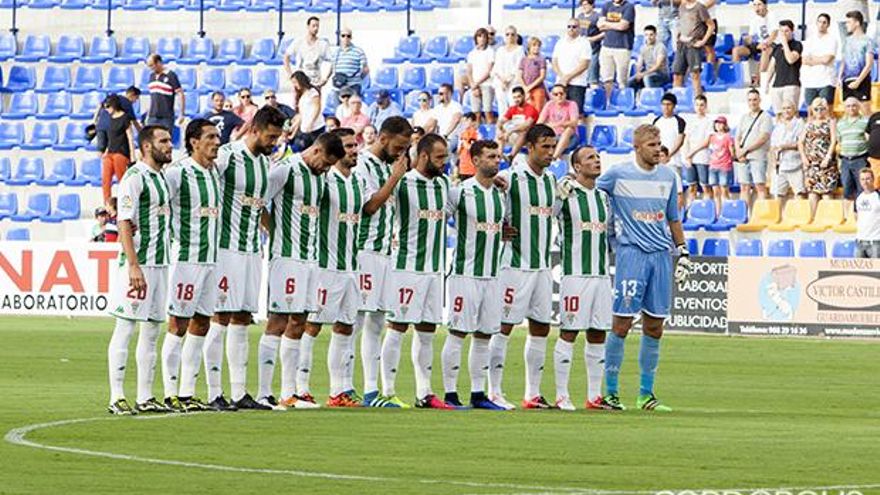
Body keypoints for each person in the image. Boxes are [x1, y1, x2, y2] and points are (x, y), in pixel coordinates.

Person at [595, 124, 689, 412]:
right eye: (651, 145)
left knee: (655, 326)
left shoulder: (668, 176)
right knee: (621, 324)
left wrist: (683, 251)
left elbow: (673, 218)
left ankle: (646, 395)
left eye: (659, 144)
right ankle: (611, 393)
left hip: (661, 255)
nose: (658, 150)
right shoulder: (617, 174)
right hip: (631, 254)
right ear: (636, 147)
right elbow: (591, 192)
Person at [206, 106, 286, 411]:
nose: (274, 143)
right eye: (270, 137)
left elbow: (260, 205)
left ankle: (239, 392)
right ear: (254, 129)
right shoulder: (227, 156)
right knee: (220, 317)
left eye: (277, 138)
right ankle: (214, 392)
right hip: (225, 249)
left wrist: (274, 232)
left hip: (252, 250)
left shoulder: (265, 163)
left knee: (242, 318)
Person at [259, 132, 345, 410]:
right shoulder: (285, 169)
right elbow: (259, 203)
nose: (326, 169)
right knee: (278, 320)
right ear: (317, 150)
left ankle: (289, 393)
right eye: (326, 163)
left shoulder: (320, 177)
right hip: (287, 258)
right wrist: (274, 232)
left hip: (310, 259)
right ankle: (263, 393)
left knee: (300, 321)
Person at [381, 133, 454, 409]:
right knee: (397, 327)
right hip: (406, 269)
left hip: (434, 270)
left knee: (427, 330)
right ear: (423, 156)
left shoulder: (444, 184)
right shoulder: (403, 183)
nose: (444, 162)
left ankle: (425, 393)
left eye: (446, 156)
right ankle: (388, 391)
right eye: (439, 157)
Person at [488, 124, 557, 410]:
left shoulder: (551, 180)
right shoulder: (511, 177)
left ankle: (532, 394)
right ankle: (493, 391)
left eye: (553, 147)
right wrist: (499, 227)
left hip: (542, 266)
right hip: (513, 266)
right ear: (530, 147)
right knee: (503, 326)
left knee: (541, 327)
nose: (551, 152)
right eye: (545, 147)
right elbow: (487, 193)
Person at [106, 125, 174, 415]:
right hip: (139, 264)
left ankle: (145, 396)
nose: (170, 145)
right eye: (164, 141)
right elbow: (124, 221)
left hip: (160, 264)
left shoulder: (162, 178)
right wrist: (133, 265)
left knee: (152, 330)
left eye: (169, 140)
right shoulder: (134, 177)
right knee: (126, 326)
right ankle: (117, 396)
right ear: (147, 146)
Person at [159, 119, 223, 413]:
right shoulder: (177, 173)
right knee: (178, 324)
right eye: (210, 137)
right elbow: (158, 207)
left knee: (202, 323)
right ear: (194, 141)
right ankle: (169, 392)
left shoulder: (214, 172)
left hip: (211, 260)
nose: (217, 142)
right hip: (185, 259)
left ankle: (187, 393)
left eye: (218, 137)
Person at [300, 128, 366, 407]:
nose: (354, 151)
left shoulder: (358, 181)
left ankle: (339, 391)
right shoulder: (324, 180)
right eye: (348, 146)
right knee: (311, 326)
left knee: (346, 327)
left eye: (355, 145)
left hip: (350, 266)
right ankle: (300, 388)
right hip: (325, 266)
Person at [441, 139, 507, 410]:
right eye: (490, 156)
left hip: (492, 275)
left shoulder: (500, 194)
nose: (496, 161)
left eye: (498, 156)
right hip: (465, 274)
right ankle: (450, 394)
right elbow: (438, 220)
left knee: (484, 335)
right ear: (476, 160)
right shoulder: (460, 193)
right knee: (458, 332)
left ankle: (478, 394)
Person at [355, 116, 413, 408]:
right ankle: (343, 388)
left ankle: (371, 391)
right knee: (354, 321)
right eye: (399, 146)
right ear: (383, 137)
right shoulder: (363, 164)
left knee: (377, 322)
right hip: (363, 251)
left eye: (405, 148)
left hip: (384, 252)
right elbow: (370, 206)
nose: (401, 153)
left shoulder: (387, 165)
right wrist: (395, 177)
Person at [552, 145, 610, 411]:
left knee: (598, 333)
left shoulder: (602, 197)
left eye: (597, 157)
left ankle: (594, 396)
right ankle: (562, 395)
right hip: (575, 275)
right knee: (569, 331)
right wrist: (558, 192)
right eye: (590, 158)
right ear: (577, 166)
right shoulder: (566, 192)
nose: (596, 161)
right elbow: (549, 214)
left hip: (601, 274)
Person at [799, 97, 838, 218]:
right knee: (812, 192)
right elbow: (801, 142)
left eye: (822, 109)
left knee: (827, 192)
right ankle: (813, 218)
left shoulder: (830, 122)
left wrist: (827, 157)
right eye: (816, 109)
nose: (819, 111)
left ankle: (828, 218)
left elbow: (833, 140)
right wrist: (804, 157)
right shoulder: (808, 124)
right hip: (812, 164)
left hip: (826, 164)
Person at [735, 89, 772, 209]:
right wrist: (739, 152)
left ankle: (762, 214)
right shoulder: (743, 117)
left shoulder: (766, 117)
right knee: (744, 187)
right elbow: (737, 137)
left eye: (755, 99)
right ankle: (743, 214)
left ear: (759, 100)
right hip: (743, 158)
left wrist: (745, 150)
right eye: (750, 100)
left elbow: (763, 137)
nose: (752, 102)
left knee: (759, 186)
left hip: (757, 156)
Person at [597, 0, 636, 107]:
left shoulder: (628, 7)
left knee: (621, 79)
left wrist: (607, 24)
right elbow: (600, 25)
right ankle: (608, 102)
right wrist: (616, 25)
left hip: (623, 47)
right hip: (607, 46)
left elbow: (623, 26)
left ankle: (623, 103)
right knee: (607, 78)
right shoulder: (606, 5)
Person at [101, 94, 137, 204]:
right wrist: (106, 151)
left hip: (121, 152)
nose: (106, 109)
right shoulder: (109, 119)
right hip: (110, 152)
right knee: (105, 180)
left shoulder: (125, 117)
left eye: (108, 106)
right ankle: (107, 204)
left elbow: (130, 137)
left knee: (122, 180)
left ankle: (126, 204)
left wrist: (132, 155)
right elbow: (110, 137)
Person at [760, 20, 802, 115]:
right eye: (782, 31)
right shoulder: (777, 48)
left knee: (791, 113)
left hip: (791, 84)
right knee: (778, 114)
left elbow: (790, 59)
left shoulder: (797, 45)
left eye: (786, 31)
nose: (784, 34)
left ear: (792, 31)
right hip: (777, 85)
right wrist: (767, 82)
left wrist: (785, 44)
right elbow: (772, 66)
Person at [552, 18, 590, 119]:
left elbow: (584, 64)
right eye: (569, 26)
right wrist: (562, 77)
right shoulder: (560, 42)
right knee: (559, 113)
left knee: (576, 114)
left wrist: (568, 77)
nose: (571, 29)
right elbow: (554, 62)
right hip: (560, 83)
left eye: (574, 26)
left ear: (579, 28)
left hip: (577, 83)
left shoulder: (584, 43)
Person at [731, 0, 776, 86]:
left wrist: (765, 43)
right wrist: (747, 39)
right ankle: (737, 78)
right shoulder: (754, 19)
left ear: (765, 5)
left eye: (759, 4)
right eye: (755, 5)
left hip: (772, 44)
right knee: (736, 50)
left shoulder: (772, 16)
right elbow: (751, 37)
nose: (757, 7)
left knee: (765, 50)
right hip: (758, 44)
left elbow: (774, 34)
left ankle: (758, 81)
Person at [672, 0, 713, 95]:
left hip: (693, 44)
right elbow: (681, 22)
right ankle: (677, 99)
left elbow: (711, 25)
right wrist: (679, 34)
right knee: (677, 74)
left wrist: (703, 41)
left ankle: (698, 99)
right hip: (682, 44)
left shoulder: (700, 7)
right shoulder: (682, 7)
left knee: (695, 75)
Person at [769, 100, 805, 205]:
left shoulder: (800, 123)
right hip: (780, 166)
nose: (786, 111)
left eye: (789, 108)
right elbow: (773, 146)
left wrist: (784, 146)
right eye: (784, 108)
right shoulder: (778, 126)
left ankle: (799, 214)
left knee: (799, 193)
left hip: (796, 165)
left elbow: (801, 143)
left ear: (794, 110)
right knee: (777, 195)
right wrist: (774, 161)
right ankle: (777, 214)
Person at [840, 11, 875, 116]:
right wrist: (839, 77)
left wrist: (858, 81)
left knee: (865, 112)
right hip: (847, 80)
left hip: (862, 80)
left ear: (857, 23)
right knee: (848, 112)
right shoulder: (846, 40)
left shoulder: (868, 41)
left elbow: (869, 64)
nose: (846, 25)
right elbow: (844, 61)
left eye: (849, 22)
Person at [652, 93, 687, 193]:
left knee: (676, 190)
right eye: (663, 104)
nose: (666, 107)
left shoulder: (679, 121)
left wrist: (668, 155)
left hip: (674, 161)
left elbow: (680, 140)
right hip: (659, 161)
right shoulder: (657, 121)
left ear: (674, 106)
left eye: (668, 104)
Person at [801, 13, 837, 106]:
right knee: (810, 110)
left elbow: (827, 60)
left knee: (826, 109)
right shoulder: (810, 40)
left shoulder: (832, 39)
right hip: (811, 81)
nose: (821, 24)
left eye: (824, 22)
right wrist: (821, 58)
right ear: (816, 23)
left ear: (828, 25)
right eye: (820, 22)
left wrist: (812, 58)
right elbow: (804, 60)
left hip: (827, 80)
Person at [837, 97, 870, 202]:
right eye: (848, 106)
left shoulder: (865, 121)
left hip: (860, 159)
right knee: (847, 190)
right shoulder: (840, 123)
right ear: (845, 108)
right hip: (845, 160)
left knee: (862, 188)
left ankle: (860, 210)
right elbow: (839, 142)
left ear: (858, 107)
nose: (851, 108)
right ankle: (850, 211)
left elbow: (869, 140)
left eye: (854, 105)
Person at [284, 16, 330, 88]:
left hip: (315, 81)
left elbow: (331, 62)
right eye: (313, 26)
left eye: (317, 26)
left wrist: (325, 78)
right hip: (300, 80)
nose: (316, 28)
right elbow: (286, 56)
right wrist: (290, 75)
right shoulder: (299, 41)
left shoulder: (323, 44)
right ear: (308, 26)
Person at [94, 86, 141, 156]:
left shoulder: (113, 98)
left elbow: (100, 105)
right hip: (112, 127)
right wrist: (142, 132)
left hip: (101, 125)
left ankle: (101, 162)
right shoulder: (127, 103)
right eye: (136, 98)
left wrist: (95, 119)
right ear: (132, 95)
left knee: (100, 150)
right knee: (111, 150)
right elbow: (134, 122)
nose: (135, 101)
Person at [683, 94, 712, 205]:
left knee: (705, 186)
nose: (699, 108)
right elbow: (686, 139)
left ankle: (707, 208)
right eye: (697, 105)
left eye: (702, 105)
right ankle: (691, 209)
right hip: (690, 159)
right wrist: (687, 156)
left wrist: (691, 153)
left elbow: (706, 142)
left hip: (703, 158)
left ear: (706, 106)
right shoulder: (690, 121)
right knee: (692, 186)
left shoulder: (709, 122)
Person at [496, 86, 539, 163]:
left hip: (528, 137)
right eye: (514, 97)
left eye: (519, 97)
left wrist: (510, 131)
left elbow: (526, 125)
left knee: (524, 132)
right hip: (514, 134)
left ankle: (511, 156)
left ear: (524, 96)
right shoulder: (512, 109)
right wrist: (499, 128)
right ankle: (499, 156)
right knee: (500, 133)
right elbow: (501, 121)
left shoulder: (531, 109)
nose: (516, 99)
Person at [538, 85, 579, 161]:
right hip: (553, 136)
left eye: (561, 93)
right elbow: (539, 123)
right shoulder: (549, 104)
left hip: (570, 138)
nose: (559, 96)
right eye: (556, 94)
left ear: (565, 94)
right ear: (552, 96)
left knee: (569, 129)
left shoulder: (572, 104)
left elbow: (574, 122)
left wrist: (556, 124)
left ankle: (553, 158)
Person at [145, 54, 185, 131]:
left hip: (166, 117)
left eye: (152, 65)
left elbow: (180, 94)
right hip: (152, 116)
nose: (150, 68)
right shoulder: (151, 76)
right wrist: (148, 115)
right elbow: (152, 98)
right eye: (149, 66)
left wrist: (181, 114)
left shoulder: (170, 75)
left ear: (158, 62)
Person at [328, 27, 369, 98]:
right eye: (343, 35)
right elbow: (332, 67)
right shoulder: (336, 52)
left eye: (348, 36)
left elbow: (365, 69)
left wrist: (358, 78)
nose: (346, 38)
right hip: (339, 87)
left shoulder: (359, 51)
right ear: (340, 37)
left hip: (353, 86)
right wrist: (326, 78)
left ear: (351, 37)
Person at [492, 25, 524, 116]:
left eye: (512, 34)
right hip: (500, 82)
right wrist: (502, 80)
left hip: (513, 82)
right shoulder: (500, 50)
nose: (510, 36)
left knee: (513, 105)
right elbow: (496, 67)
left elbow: (518, 66)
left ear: (516, 36)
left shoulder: (520, 49)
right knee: (502, 107)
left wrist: (507, 80)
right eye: (507, 34)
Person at [705, 116, 735, 213]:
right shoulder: (712, 137)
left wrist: (732, 159)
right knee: (715, 191)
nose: (718, 125)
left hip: (724, 166)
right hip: (713, 165)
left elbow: (732, 152)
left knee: (724, 190)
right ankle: (717, 212)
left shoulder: (728, 137)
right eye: (717, 123)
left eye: (721, 123)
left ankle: (726, 212)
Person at [467, 28, 496, 125]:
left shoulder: (490, 52)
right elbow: (469, 71)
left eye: (484, 36)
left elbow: (489, 71)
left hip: (487, 84)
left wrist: (477, 84)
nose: (482, 39)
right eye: (479, 36)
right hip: (475, 85)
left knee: (488, 112)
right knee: (476, 114)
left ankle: (490, 132)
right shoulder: (472, 53)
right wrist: (473, 85)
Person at [628, 25, 669, 92]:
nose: (648, 37)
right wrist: (638, 73)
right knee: (630, 82)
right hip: (648, 73)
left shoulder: (660, 47)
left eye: (651, 35)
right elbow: (639, 63)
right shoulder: (643, 48)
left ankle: (651, 97)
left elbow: (657, 66)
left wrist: (643, 74)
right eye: (646, 35)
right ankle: (634, 97)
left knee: (647, 78)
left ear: (655, 35)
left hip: (661, 75)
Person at [289, 71, 324, 151]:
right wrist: (294, 126)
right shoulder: (301, 95)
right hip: (305, 128)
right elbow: (302, 114)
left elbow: (317, 108)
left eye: (295, 82)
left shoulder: (312, 92)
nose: (294, 85)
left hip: (316, 127)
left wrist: (311, 123)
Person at [577, 0, 604, 87]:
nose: (584, 7)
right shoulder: (580, 16)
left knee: (592, 72)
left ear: (592, 5)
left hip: (593, 49)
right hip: (582, 49)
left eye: (586, 4)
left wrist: (593, 39)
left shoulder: (597, 16)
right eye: (582, 5)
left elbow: (604, 33)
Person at [854, 168, 880, 258]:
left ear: (873, 179)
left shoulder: (878, 196)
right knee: (857, 267)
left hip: (876, 242)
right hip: (860, 241)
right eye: (863, 179)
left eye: (868, 179)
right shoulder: (858, 197)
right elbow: (856, 215)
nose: (865, 182)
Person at [518, 37, 547, 112]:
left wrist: (530, 87)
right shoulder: (523, 59)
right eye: (534, 45)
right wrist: (525, 88)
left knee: (537, 110)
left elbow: (542, 76)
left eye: (538, 46)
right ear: (529, 47)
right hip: (525, 89)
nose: (536, 47)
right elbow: (519, 76)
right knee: (526, 110)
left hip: (538, 89)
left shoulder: (541, 59)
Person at [433, 84, 464, 153]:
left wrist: (445, 135)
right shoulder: (437, 108)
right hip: (441, 137)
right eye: (439, 93)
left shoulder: (456, 106)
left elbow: (456, 120)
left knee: (443, 148)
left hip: (453, 137)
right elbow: (431, 124)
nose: (439, 96)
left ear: (449, 94)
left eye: (442, 93)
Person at [457, 113, 481, 180]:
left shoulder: (476, 134)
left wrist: (464, 143)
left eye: (466, 121)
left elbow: (472, 148)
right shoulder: (462, 134)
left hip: (472, 166)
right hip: (464, 165)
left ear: (472, 121)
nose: (464, 124)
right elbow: (458, 151)